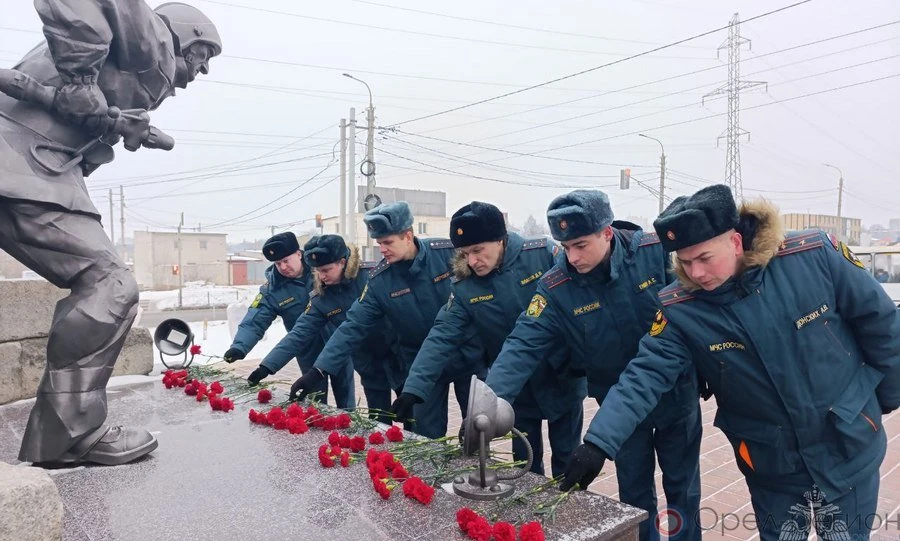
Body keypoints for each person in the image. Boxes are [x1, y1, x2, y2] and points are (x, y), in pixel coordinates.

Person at [567, 185, 900, 541]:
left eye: (704, 258)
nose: (696, 273)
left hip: (846, 445)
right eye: (685, 262)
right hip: (771, 461)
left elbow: (881, 325)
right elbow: (645, 373)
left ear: (736, 242)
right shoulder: (681, 307)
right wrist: (598, 443)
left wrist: (877, 402)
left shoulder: (812, 255)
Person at [1, 0, 220, 467]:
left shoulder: (135, 63)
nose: (201, 71)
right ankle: (70, 433)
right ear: (187, 37)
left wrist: (112, 127)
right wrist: (82, 83)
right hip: (21, 168)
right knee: (111, 285)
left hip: (22, 166)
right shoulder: (152, 42)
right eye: (204, 56)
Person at [486, 190, 702, 541]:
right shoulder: (556, 287)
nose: (572, 257)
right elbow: (523, 343)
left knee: (683, 489)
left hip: (675, 396)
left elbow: (693, 314)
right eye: (565, 247)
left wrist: (703, 368)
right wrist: (490, 404)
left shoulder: (654, 254)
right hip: (617, 407)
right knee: (634, 494)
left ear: (607, 232)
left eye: (581, 245)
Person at [392, 201, 586, 477]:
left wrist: (578, 357)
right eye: (465, 253)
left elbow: (580, 305)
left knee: (568, 460)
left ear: (500, 239)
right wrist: (414, 388)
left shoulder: (542, 255)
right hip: (514, 387)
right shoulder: (465, 284)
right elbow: (442, 334)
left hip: (561, 376)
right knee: (525, 463)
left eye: (478, 250)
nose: (472, 261)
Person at [289, 201, 486, 439]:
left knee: (477, 431)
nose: (382, 249)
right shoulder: (380, 281)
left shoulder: (446, 254)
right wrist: (319, 370)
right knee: (425, 436)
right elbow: (353, 325)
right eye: (379, 243)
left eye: (388, 242)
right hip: (423, 366)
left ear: (408, 236)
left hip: (467, 358)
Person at [259, 235, 396, 413]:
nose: (322, 276)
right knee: (379, 416)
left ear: (342, 262)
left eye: (326, 270)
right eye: (318, 271)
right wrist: (267, 367)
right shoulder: (321, 296)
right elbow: (300, 332)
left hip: (398, 355)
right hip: (368, 364)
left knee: (413, 416)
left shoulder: (372, 276)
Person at [228, 232, 353, 407]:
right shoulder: (273, 289)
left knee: (346, 397)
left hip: (337, 343)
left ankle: (349, 423)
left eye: (286, 260)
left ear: (298, 254)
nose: (283, 267)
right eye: (277, 263)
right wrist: (239, 346)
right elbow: (255, 319)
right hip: (306, 349)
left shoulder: (321, 268)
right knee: (315, 401)